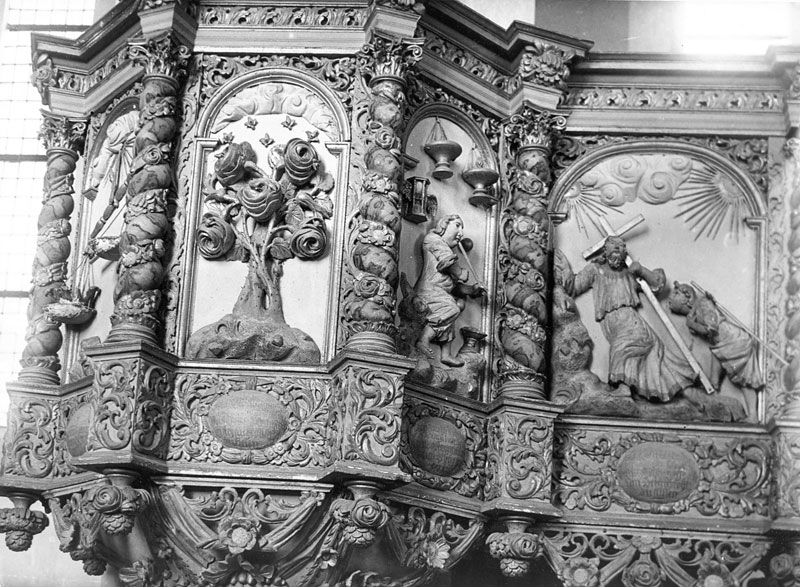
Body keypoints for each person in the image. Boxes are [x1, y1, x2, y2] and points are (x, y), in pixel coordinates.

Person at [569, 235, 695, 401]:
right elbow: (573, 286)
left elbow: (657, 284)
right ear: (604, 250)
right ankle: (689, 396)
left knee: (623, 347)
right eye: (613, 245)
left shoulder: (629, 273)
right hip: (612, 324)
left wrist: (641, 270)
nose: (617, 248)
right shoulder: (595, 270)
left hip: (631, 322)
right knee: (643, 358)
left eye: (621, 246)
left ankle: (624, 389)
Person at [414, 215, 485, 367]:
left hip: (441, 292)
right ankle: (424, 339)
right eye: (457, 226)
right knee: (451, 308)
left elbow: (455, 286)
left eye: (462, 229)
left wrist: (472, 290)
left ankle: (446, 354)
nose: (461, 233)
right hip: (429, 290)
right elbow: (446, 263)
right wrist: (460, 273)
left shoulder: (449, 251)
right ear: (443, 225)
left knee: (457, 306)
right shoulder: (433, 240)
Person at [668, 282, 763, 390]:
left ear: (687, 297)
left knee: (743, 379)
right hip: (723, 343)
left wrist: (691, 324)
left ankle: (715, 385)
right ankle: (713, 385)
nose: (671, 297)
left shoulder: (703, 304)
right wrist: (691, 320)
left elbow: (709, 330)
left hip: (734, 340)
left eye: (676, 293)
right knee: (717, 358)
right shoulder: (696, 310)